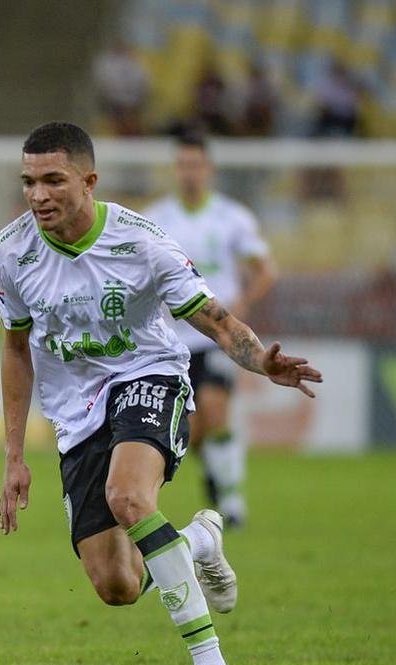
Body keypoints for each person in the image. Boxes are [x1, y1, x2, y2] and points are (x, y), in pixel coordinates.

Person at [0, 122, 321, 665]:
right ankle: (196, 540)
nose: (38, 195)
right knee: (116, 585)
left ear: (89, 181)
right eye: (29, 182)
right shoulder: (12, 252)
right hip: (75, 414)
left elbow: (216, 319)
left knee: (128, 496)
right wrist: (14, 455)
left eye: (53, 180)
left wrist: (260, 360)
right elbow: (16, 349)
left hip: (151, 378)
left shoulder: (142, 243)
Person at [143, 131, 277, 527]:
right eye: (183, 165)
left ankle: (233, 504)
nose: (189, 173)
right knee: (195, 431)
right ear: (175, 169)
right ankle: (214, 472)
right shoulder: (155, 219)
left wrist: (244, 303)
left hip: (215, 335)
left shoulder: (232, 218)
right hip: (170, 340)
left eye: (196, 165)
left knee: (216, 410)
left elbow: (266, 269)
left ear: (209, 169)